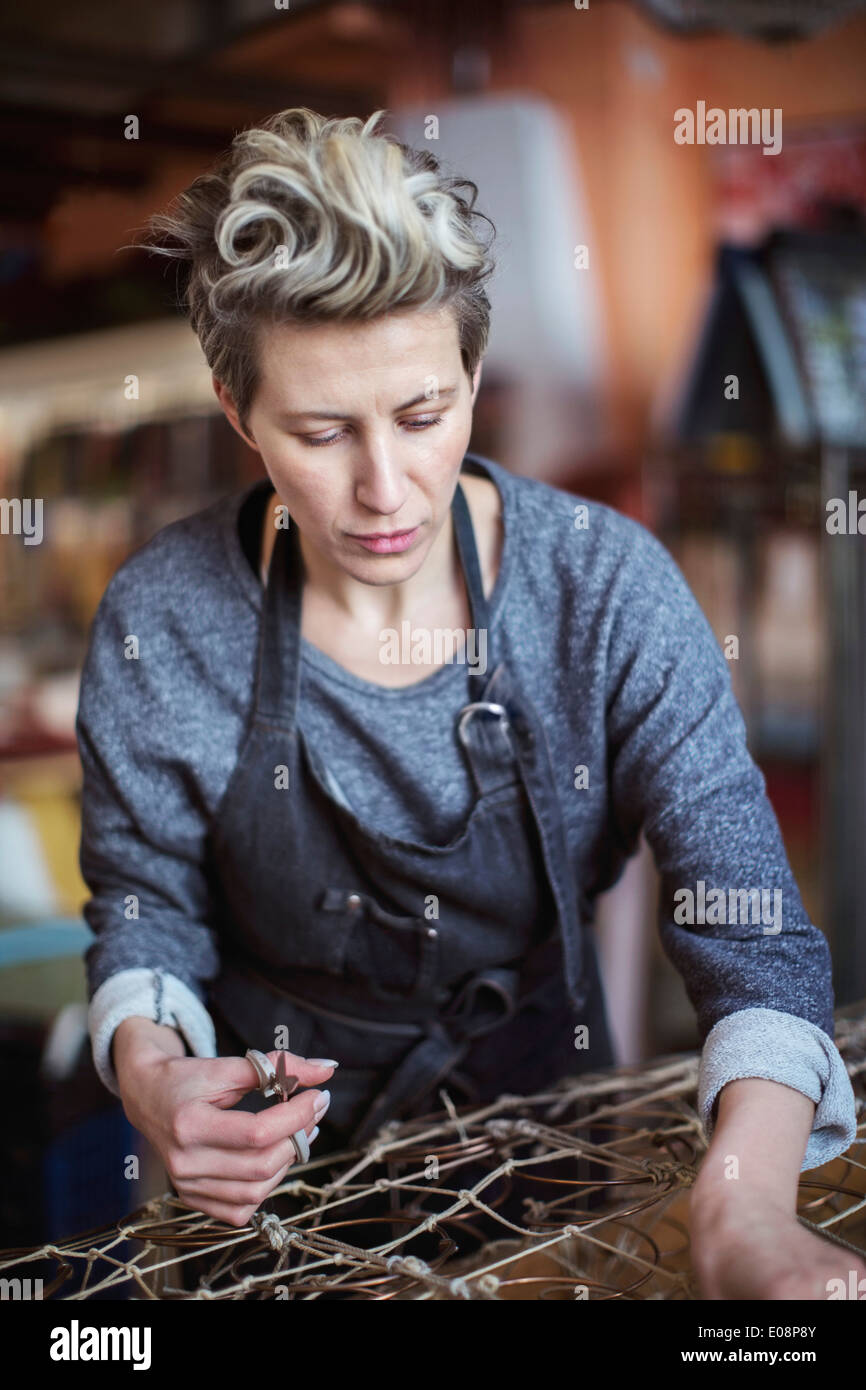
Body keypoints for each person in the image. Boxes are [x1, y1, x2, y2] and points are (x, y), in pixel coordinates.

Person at [76, 107, 863, 1300]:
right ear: (240, 418)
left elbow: (746, 924)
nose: (384, 489)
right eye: (323, 430)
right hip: (262, 1207)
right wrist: (152, 1077)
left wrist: (742, 1207)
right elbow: (143, 908)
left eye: (422, 414)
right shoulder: (168, 614)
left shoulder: (601, 590)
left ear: (472, 375)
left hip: (543, 1180)